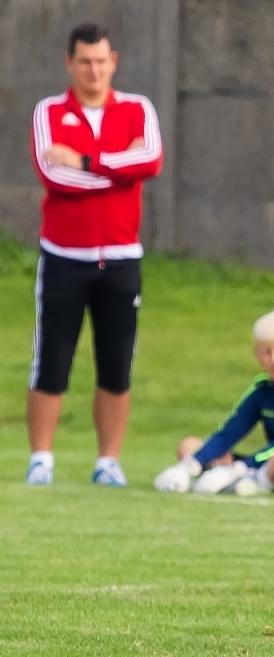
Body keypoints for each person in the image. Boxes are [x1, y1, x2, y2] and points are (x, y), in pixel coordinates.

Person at [26, 22, 163, 487]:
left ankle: (108, 461)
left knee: (116, 361)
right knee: (53, 360)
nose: (93, 70)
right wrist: (119, 167)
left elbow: (152, 161)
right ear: (70, 63)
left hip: (121, 257)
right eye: (85, 61)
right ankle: (41, 457)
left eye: (101, 61)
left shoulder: (138, 109)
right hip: (65, 256)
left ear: (114, 62)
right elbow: (54, 175)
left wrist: (87, 160)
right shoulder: (50, 111)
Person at [153, 308, 274, 497]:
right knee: (189, 445)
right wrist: (191, 465)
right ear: (256, 354)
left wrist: (238, 468)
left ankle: (252, 481)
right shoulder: (262, 388)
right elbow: (231, 430)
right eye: (267, 352)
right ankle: (244, 481)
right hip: (267, 463)